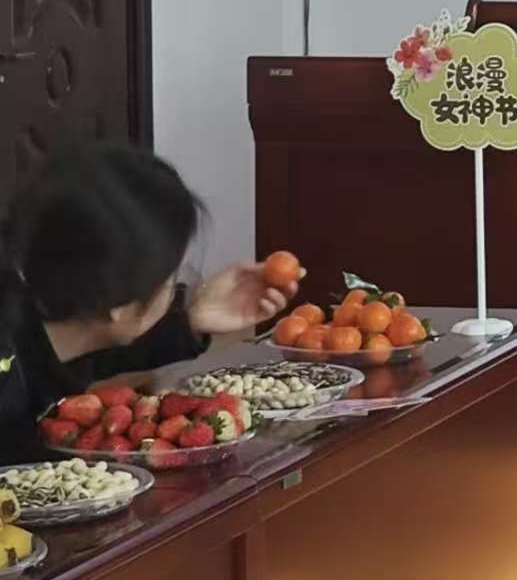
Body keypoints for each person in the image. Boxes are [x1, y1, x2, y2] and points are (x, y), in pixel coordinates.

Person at [0, 142, 296, 430]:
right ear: (117, 306)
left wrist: (191, 321)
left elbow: (102, 345)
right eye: (169, 278)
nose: (174, 287)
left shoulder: (49, 324)